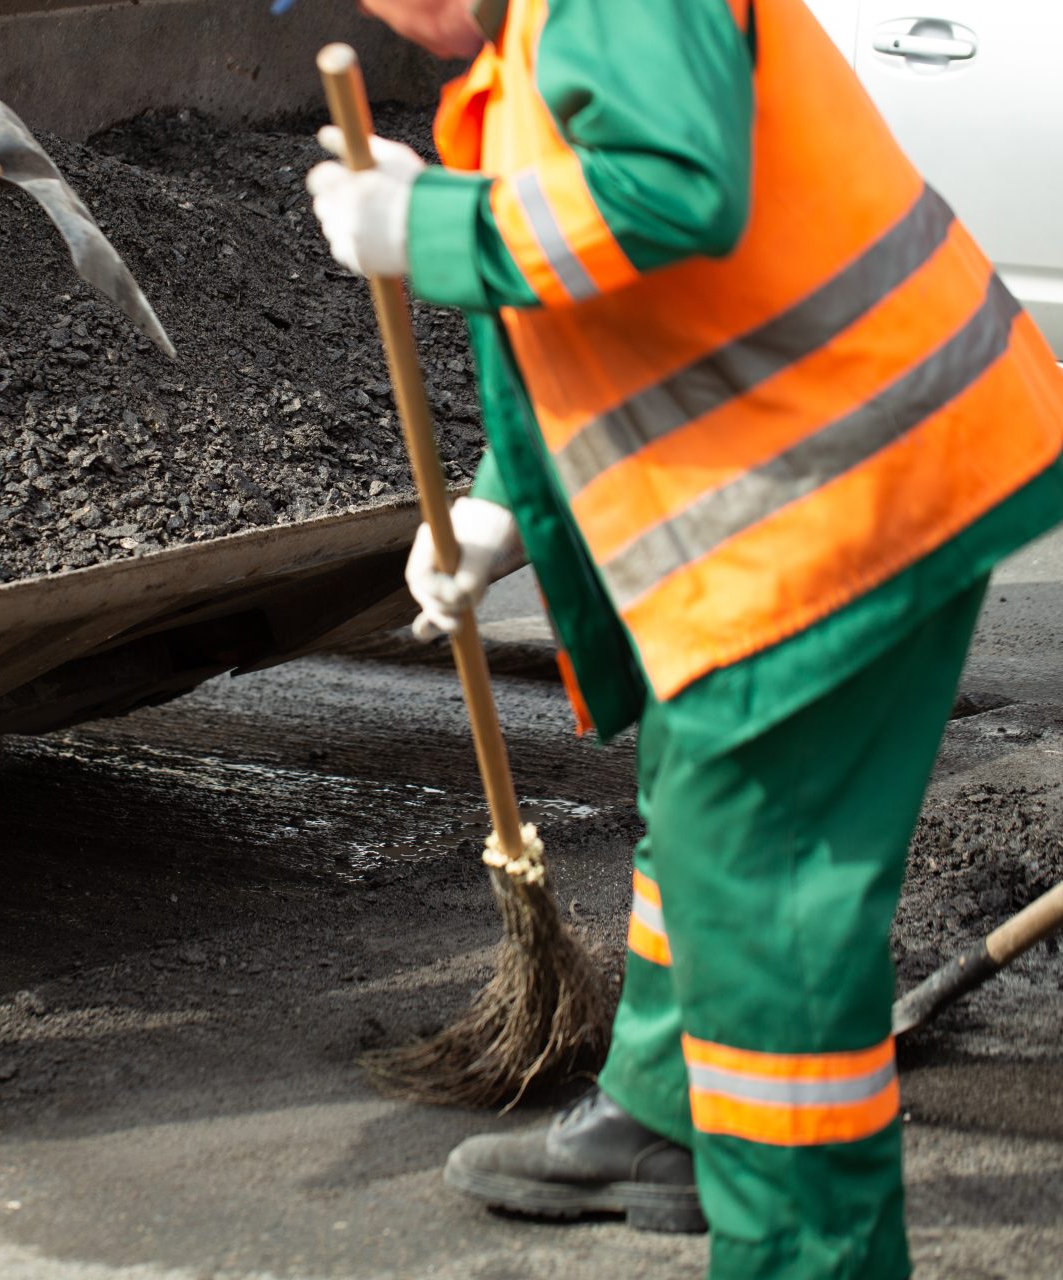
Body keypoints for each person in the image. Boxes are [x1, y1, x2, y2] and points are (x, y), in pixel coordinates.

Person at [302, 0, 1063, 1276]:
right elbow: (606, 313)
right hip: (830, 492)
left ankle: (805, 1252)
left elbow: (669, 194)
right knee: (704, 829)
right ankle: (667, 1114)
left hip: (836, 513)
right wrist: (501, 509)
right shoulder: (527, 40)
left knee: (768, 937)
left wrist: (432, 224)